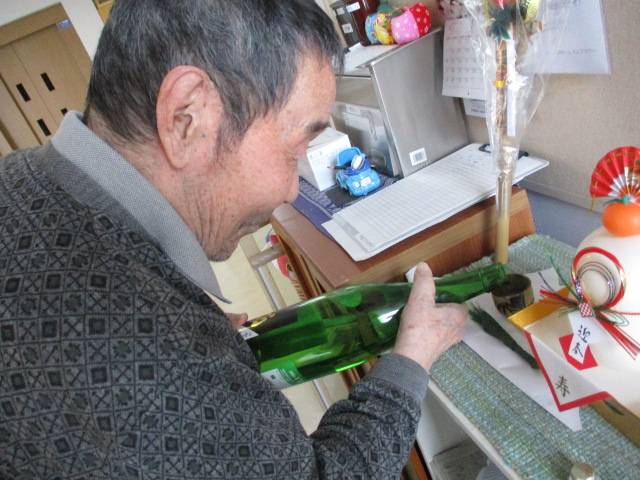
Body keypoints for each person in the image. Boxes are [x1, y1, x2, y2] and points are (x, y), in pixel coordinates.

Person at [0, 1, 467, 478]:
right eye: (295, 147)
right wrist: (409, 363)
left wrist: (183, 327)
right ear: (187, 117)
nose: (291, 191)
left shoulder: (15, 179)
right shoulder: (160, 357)